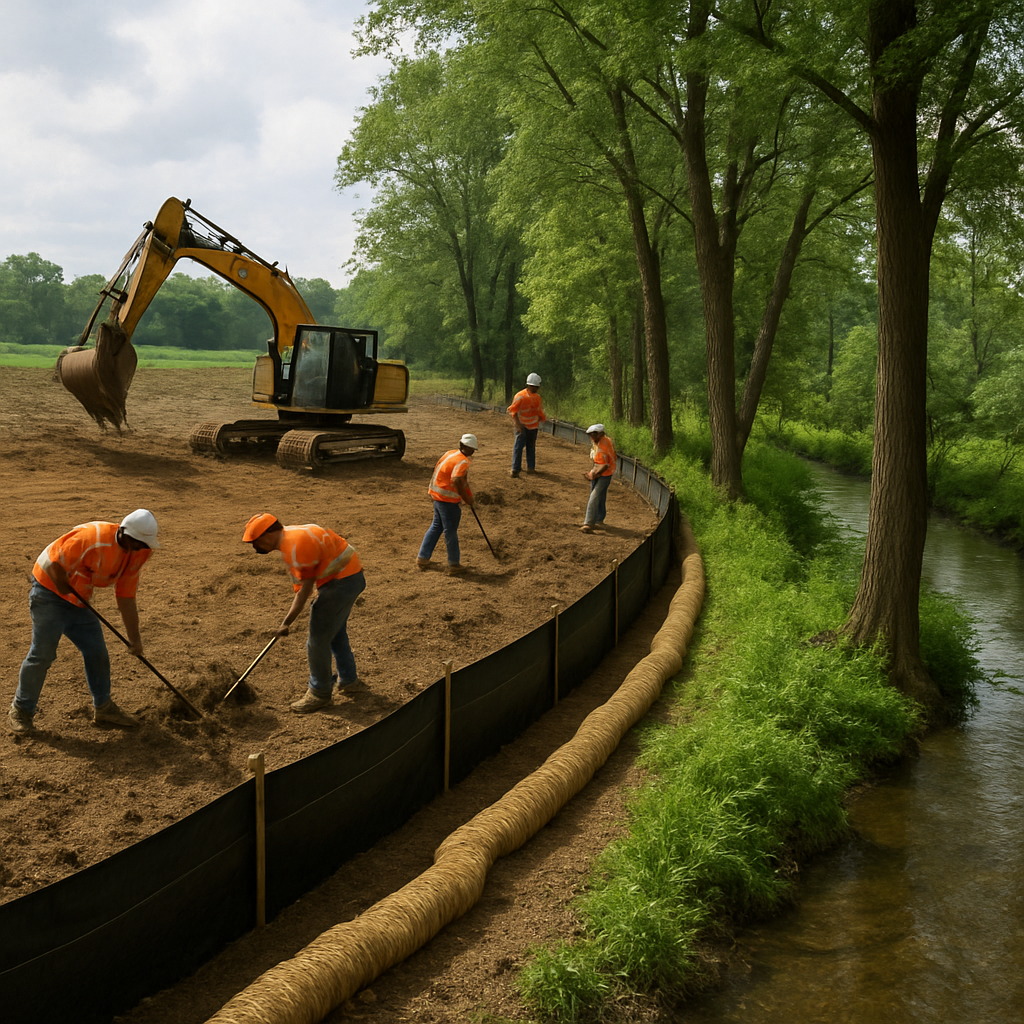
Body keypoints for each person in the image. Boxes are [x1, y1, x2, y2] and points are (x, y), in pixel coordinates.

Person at [9, 509, 161, 734]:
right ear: (125, 534)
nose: (142, 549)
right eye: (139, 543)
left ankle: (104, 708)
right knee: (42, 654)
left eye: (145, 545)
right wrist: (61, 581)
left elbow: (126, 596)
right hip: (49, 594)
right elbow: (53, 565)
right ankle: (21, 710)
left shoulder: (139, 552)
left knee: (97, 652)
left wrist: (134, 639)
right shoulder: (90, 539)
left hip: (79, 600)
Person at [242, 514, 367, 714]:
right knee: (334, 633)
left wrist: (286, 623)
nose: (254, 547)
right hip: (351, 576)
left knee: (317, 641)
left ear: (267, 535)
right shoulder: (292, 535)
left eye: (255, 542)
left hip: (341, 583)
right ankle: (349, 679)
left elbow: (304, 591)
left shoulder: (295, 546)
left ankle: (319, 693)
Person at [417, 433, 478, 575]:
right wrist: (465, 498)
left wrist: (468, 497)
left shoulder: (450, 454)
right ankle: (454, 564)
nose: (473, 452)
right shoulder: (463, 461)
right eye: (472, 449)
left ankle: (423, 558)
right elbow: (457, 480)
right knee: (450, 531)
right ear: (468, 448)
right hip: (447, 500)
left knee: (436, 526)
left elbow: (463, 481)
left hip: (437, 495)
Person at [507, 373, 546, 477]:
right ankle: (515, 469)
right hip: (522, 425)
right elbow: (513, 412)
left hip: (533, 426)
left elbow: (539, 410)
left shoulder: (537, 397)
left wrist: (542, 418)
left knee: (531, 446)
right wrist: (518, 426)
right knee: (518, 447)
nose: (537, 389)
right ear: (530, 385)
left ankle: (531, 468)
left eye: (538, 387)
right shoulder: (520, 396)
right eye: (535, 387)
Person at [581, 424, 616, 533]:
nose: (591, 437)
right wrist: (593, 472)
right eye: (590, 434)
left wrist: (594, 474)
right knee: (600, 496)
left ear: (601, 434)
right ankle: (599, 519)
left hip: (604, 474)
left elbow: (604, 465)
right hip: (600, 471)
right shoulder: (600, 442)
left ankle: (588, 523)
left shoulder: (603, 446)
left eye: (594, 434)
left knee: (594, 496)